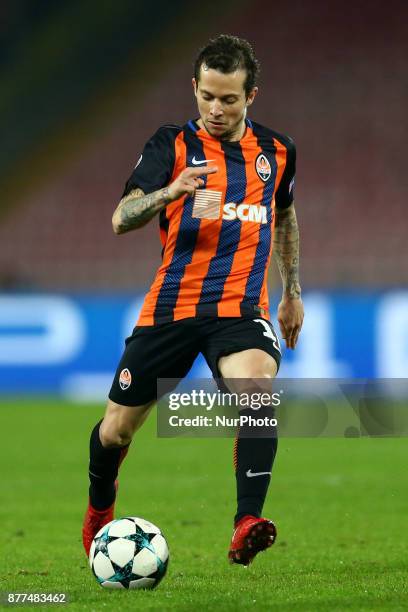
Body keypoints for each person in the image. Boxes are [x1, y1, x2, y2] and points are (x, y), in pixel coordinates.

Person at [82, 34, 304, 566]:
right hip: (171, 310)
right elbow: (121, 218)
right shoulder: (171, 145)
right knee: (114, 432)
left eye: (228, 99)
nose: (215, 109)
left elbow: (286, 213)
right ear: (194, 88)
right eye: (206, 96)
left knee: (255, 394)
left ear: (252, 95)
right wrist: (171, 191)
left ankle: (246, 521)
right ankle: (98, 512)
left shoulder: (278, 152)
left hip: (240, 310)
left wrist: (292, 290)